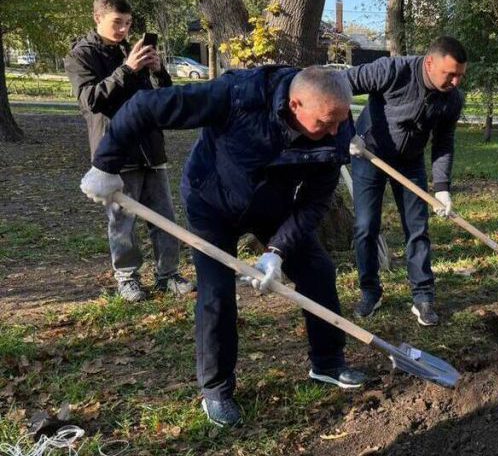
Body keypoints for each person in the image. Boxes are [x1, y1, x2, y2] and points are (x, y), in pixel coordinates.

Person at [79, 65, 367, 427]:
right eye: (326, 122)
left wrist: (276, 251)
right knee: (216, 293)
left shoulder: (337, 127)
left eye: (340, 122)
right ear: (295, 104)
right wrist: (106, 164)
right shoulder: (238, 95)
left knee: (317, 270)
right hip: (211, 200)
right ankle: (216, 389)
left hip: (272, 206)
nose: (335, 131)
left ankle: (328, 363)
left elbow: (314, 202)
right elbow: (146, 106)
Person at [65, 0, 192, 302]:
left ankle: (168, 274)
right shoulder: (80, 56)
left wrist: (158, 70)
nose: (124, 30)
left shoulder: (130, 50)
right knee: (122, 221)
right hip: (116, 152)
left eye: (128, 24)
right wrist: (126, 69)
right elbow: (91, 100)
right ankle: (127, 278)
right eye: (117, 23)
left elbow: (163, 98)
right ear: (98, 18)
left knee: (164, 216)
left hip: (150, 147)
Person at [343, 36, 467, 327]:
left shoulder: (451, 99)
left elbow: (443, 143)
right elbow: (340, 84)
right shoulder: (391, 70)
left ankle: (423, 296)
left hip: (410, 162)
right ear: (429, 63)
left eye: (460, 75)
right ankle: (370, 291)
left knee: (417, 228)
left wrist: (443, 189)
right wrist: (345, 133)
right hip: (368, 153)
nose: (455, 82)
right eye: (450, 74)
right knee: (365, 227)